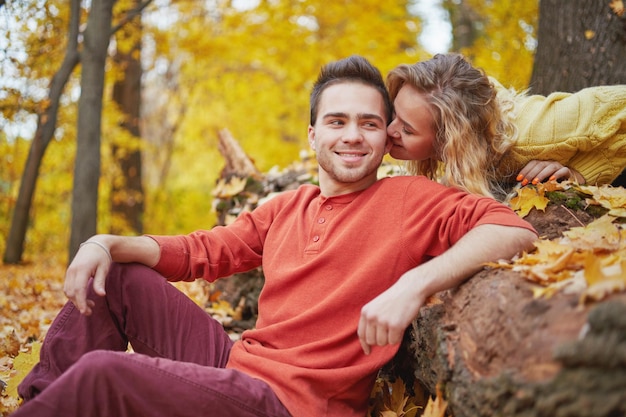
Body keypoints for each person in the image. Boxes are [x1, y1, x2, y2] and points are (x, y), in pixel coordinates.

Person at [12, 55, 537, 417]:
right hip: (233, 366)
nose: (352, 135)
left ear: (387, 138)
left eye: (369, 124)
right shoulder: (288, 205)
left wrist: (412, 285)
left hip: (287, 406)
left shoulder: (409, 200)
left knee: (105, 376)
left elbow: (512, 229)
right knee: (117, 278)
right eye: (337, 121)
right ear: (313, 134)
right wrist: (102, 242)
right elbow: (201, 252)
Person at [386, 53, 626, 200]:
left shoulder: (541, 132)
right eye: (394, 113)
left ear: (450, 140)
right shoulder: (467, 154)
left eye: (407, 130)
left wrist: (581, 172)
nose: (390, 130)